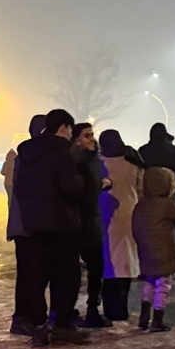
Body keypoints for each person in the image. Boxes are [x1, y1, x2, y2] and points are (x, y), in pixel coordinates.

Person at [15, 109, 88, 346]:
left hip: (34, 226)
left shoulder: (28, 154)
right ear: (64, 127)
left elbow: (20, 188)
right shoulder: (61, 153)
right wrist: (82, 183)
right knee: (65, 277)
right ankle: (62, 323)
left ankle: (38, 324)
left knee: (36, 277)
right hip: (62, 225)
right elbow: (71, 188)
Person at [7, 115, 48, 336]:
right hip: (30, 226)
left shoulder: (25, 156)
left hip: (24, 224)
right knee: (31, 275)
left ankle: (24, 317)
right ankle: (26, 318)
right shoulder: (33, 158)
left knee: (28, 274)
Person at [131, 166, 175, 333]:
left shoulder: (141, 204)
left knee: (149, 281)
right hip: (164, 251)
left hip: (146, 250)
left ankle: (144, 316)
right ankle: (157, 320)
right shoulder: (167, 204)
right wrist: (172, 198)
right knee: (163, 285)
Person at [98, 129, 143, 322]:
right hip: (131, 215)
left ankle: (111, 309)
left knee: (108, 261)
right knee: (126, 261)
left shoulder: (99, 164)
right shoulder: (134, 164)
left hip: (105, 215)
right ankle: (122, 307)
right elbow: (141, 190)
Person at [70, 122, 110, 328]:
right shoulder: (76, 161)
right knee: (77, 270)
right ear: (76, 139)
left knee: (94, 268)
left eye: (92, 135)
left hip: (88, 221)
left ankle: (90, 308)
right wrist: (99, 186)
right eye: (87, 135)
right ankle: (75, 310)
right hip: (79, 223)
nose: (92, 139)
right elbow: (81, 192)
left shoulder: (92, 160)